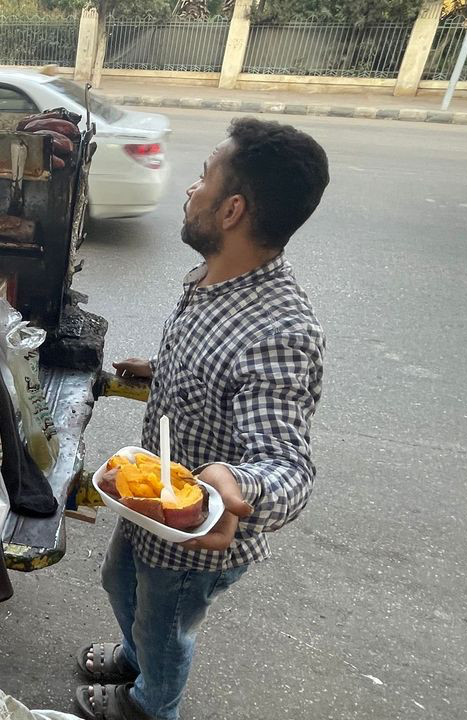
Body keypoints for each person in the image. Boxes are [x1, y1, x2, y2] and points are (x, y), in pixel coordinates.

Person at [75, 117, 330, 720]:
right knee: (120, 583)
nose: (190, 190)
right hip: (152, 502)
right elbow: (214, 361)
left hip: (196, 542)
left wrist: (241, 485)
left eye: (203, 178)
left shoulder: (278, 332)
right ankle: (135, 660)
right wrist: (164, 370)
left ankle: (148, 705)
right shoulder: (220, 280)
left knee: (166, 627)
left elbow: (288, 464)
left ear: (233, 209)